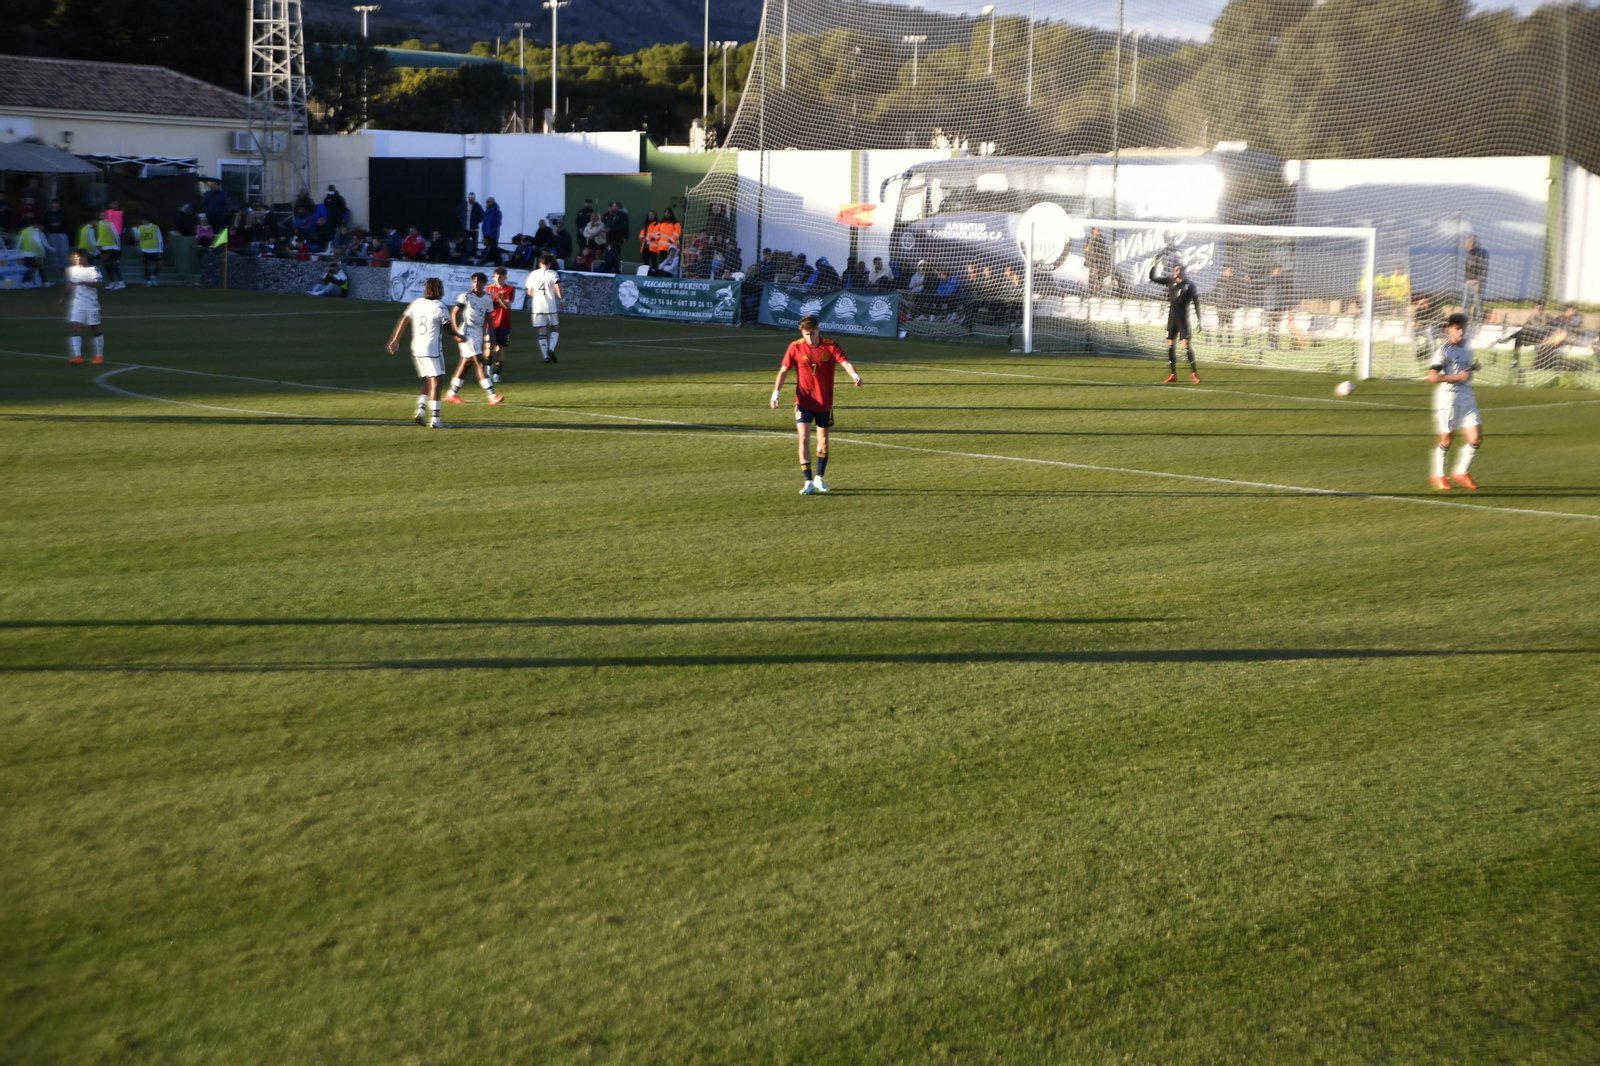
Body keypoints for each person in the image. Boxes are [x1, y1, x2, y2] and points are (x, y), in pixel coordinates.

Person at [770, 313, 863, 495]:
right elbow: (783, 371)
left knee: (823, 441)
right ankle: (808, 481)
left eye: (812, 333)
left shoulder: (830, 345)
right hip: (804, 400)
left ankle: (820, 478)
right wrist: (776, 393)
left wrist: (855, 375)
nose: (809, 338)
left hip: (824, 402)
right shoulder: (795, 347)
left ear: (818, 329)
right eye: (806, 334)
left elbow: (845, 362)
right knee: (803, 439)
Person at [386, 275, 458, 428]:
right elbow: (448, 328)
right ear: (438, 290)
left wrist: (395, 340)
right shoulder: (440, 306)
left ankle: (420, 410)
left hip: (416, 347)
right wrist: (460, 337)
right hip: (431, 348)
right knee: (437, 381)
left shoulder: (417, 303)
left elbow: (404, 320)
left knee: (429, 379)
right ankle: (436, 420)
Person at [1427, 312, 1482, 490]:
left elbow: (1464, 368)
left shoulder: (1467, 346)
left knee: (1476, 438)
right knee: (1447, 438)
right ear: (1448, 330)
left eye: (1463, 329)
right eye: (1457, 329)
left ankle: (1461, 472)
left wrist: (1473, 368)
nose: (1461, 332)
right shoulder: (1444, 351)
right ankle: (1439, 475)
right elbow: (1433, 377)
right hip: (1449, 397)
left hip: (1467, 395)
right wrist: (1458, 377)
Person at [443, 272, 505, 406]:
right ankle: (492, 395)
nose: (476, 284)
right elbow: (454, 312)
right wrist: (455, 332)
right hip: (466, 332)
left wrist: (493, 336)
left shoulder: (488, 298)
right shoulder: (466, 296)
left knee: (467, 363)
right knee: (480, 361)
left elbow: (489, 317)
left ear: (484, 284)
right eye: (474, 281)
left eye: (479, 282)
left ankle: (451, 394)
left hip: (478, 332)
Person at [1150, 258, 1202, 383]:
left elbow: (1196, 302)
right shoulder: (1170, 281)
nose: (1175, 271)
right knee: (1170, 346)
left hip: (1183, 320)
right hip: (1172, 319)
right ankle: (1173, 374)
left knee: (1186, 346)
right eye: (1175, 269)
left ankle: (1194, 373)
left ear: (1183, 271)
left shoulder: (1189, 285)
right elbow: (1153, 278)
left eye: (1178, 270)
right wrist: (1154, 265)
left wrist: (1200, 319)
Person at [60, 249, 105, 365]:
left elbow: (99, 284)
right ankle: (77, 356)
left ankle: (99, 356)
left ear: (85, 257)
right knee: (75, 326)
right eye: (75, 257)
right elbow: (70, 284)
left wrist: (84, 282)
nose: (76, 259)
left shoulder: (93, 270)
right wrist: (63, 298)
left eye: (78, 257)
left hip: (91, 304)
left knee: (95, 328)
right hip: (78, 304)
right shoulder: (73, 270)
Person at [525, 253, 564, 363]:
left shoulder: (532, 274)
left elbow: (529, 291)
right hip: (550, 305)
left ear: (539, 263)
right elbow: (558, 287)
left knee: (542, 331)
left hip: (537, 306)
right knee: (555, 328)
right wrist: (562, 300)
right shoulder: (552, 273)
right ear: (550, 264)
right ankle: (551, 348)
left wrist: (537, 296)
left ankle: (546, 356)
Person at [487, 266, 516, 382]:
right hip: (491, 323)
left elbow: (507, 306)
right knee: (489, 349)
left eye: (500, 277)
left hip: (504, 323)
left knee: (501, 349)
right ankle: (487, 370)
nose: (498, 280)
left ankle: (496, 375)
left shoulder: (510, 289)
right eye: (496, 277)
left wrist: (500, 299)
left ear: (505, 278)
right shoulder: (489, 289)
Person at [1507, 301, 1549, 369]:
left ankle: (1507, 339)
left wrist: (1533, 317)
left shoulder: (1544, 316)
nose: (1534, 309)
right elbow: (1525, 326)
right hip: (1530, 336)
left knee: (1522, 332)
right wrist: (1532, 316)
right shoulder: (1533, 316)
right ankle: (1515, 361)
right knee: (1519, 337)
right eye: (1534, 307)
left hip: (1539, 337)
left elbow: (1541, 328)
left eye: (1537, 308)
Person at [1212, 264, 1245, 345]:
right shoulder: (1219, 280)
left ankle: (1230, 342)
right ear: (1225, 271)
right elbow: (1215, 292)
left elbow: (1237, 293)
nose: (1231, 272)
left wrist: (1237, 305)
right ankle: (1219, 342)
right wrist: (1214, 303)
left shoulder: (1233, 282)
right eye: (1230, 271)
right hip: (1221, 306)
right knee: (1221, 324)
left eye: (1232, 271)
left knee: (1230, 325)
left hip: (1230, 306)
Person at [130, 215, 164, 286]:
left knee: (159, 265)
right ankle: (148, 281)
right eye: (142, 220)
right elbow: (137, 238)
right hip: (145, 249)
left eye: (144, 220)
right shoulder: (141, 228)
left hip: (155, 250)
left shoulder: (155, 227)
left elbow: (160, 238)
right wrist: (135, 230)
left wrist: (160, 249)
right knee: (146, 266)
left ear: (147, 220)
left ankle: (153, 276)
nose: (142, 222)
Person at [95, 209, 125, 290]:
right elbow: (100, 236)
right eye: (101, 215)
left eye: (104, 215)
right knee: (107, 266)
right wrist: (98, 245)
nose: (102, 216)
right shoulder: (100, 224)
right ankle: (113, 282)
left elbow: (116, 235)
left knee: (114, 265)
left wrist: (118, 247)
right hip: (104, 248)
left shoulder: (109, 224)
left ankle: (121, 282)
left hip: (111, 247)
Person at [1463, 235, 1488, 322]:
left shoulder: (1480, 255)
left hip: (1476, 284)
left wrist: (1479, 283)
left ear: (1471, 244)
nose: (1465, 245)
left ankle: (1477, 322)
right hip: (1468, 284)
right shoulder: (1468, 256)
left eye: (1466, 243)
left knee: (1477, 305)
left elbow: (1484, 270)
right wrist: (1466, 281)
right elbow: (1466, 270)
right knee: (1466, 305)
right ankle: (1465, 321)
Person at [42, 199, 70, 276]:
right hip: (52, 234)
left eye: (57, 203)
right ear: (51, 204)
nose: (55, 205)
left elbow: (66, 223)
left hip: (62, 233)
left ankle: (64, 266)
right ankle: (57, 267)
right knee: (55, 251)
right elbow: (45, 224)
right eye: (54, 203)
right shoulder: (47, 214)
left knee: (64, 250)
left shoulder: (62, 213)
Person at [18, 220, 47, 287]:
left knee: (34, 267)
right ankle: (25, 282)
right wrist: (43, 251)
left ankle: (29, 282)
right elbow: (38, 243)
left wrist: (17, 250)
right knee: (33, 268)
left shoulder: (24, 231)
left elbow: (20, 242)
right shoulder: (35, 232)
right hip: (34, 254)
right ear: (34, 225)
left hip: (26, 253)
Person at [1085, 226, 1112, 296]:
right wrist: (1092, 266)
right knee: (1093, 280)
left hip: (1100, 265)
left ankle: (1097, 294)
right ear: (1093, 231)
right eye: (1097, 230)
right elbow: (1088, 254)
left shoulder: (1101, 240)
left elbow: (1102, 253)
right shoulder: (1090, 241)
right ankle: (1092, 295)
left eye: (1099, 230)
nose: (1099, 232)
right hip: (1092, 266)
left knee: (1099, 281)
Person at [479, 196, 503, 264]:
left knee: (492, 249)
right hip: (486, 235)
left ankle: (497, 263)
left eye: (488, 201)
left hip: (492, 236)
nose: (487, 203)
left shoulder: (497, 212)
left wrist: (491, 234)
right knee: (492, 250)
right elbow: (484, 223)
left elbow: (497, 224)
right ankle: (497, 263)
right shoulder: (486, 211)